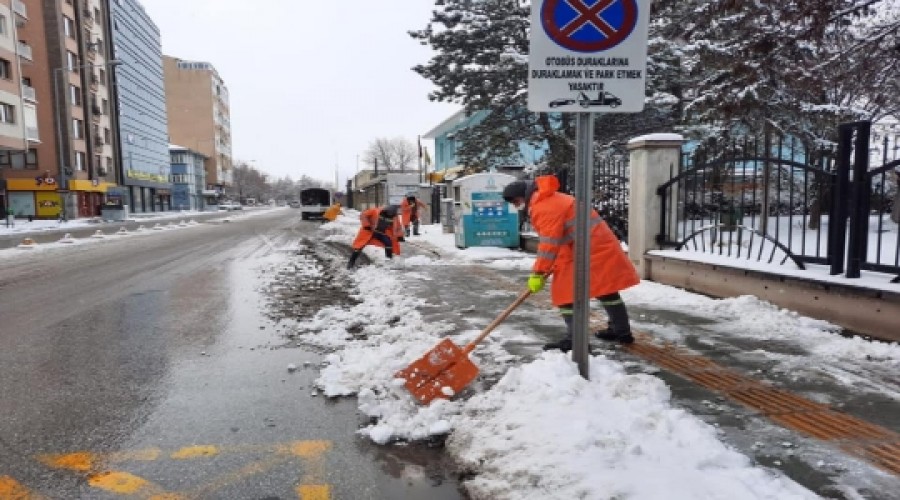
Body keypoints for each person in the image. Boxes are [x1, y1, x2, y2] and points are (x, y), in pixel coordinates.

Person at [502, 175, 640, 352]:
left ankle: (576, 340)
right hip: (597, 248)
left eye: (515, 201)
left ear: (524, 195)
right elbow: (562, 237)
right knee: (607, 290)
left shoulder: (544, 206)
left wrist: (538, 273)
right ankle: (621, 332)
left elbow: (549, 244)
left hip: (587, 252)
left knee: (565, 296)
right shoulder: (551, 199)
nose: (516, 206)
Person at [347, 205, 404, 269]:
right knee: (360, 246)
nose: (390, 216)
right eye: (389, 214)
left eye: (392, 215)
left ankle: (389, 260)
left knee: (388, 242)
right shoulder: (375, 211)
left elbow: (397, 227)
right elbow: (363, 215)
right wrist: (366, 225)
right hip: (369, 232)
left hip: (381, 233)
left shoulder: (394, 217)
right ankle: (351, 262)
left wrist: (399, 236)